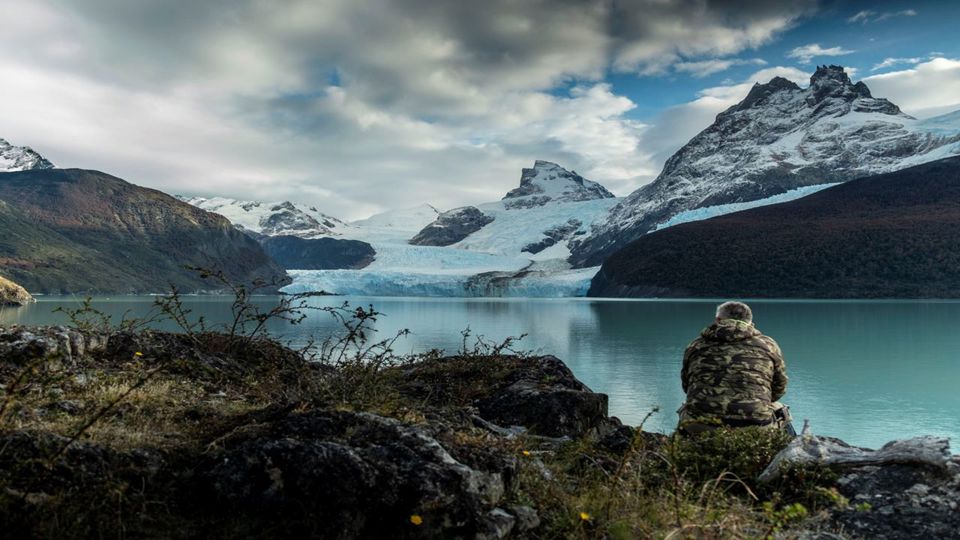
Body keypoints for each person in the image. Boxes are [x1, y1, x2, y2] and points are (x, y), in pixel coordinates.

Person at [677, 301, 794, 436]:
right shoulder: (769, 345)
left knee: (686, 407)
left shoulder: (696, 345)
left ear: (718, 320)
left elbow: (687, 386)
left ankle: (681, 444)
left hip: (700, 427)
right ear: (750, 322)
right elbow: (779, 388)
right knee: (781, 410)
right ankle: (796, 448)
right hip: (755, 428)